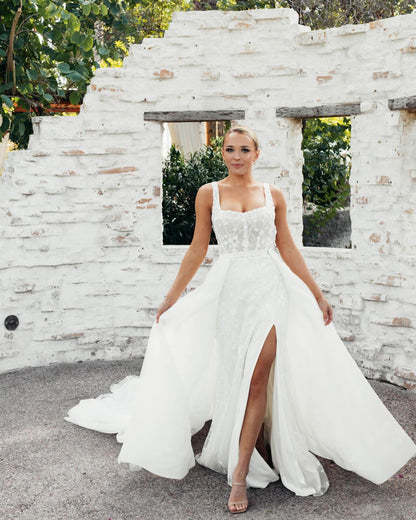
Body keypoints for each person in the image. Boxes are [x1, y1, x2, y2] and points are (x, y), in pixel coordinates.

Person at [66, 126, 416, 515]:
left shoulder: (273, 195)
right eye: (230, 149)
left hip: (271, 289)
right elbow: (199, 248)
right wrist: (170, 297)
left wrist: (318, 293)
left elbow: (286, 247)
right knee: (239, 375)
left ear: (257, 153)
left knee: (257, 377)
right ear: (223, 154)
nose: (236, 156)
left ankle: (239, 474)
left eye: (244, 149)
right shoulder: (209, 193)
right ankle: (259, 437)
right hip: (230, 294)